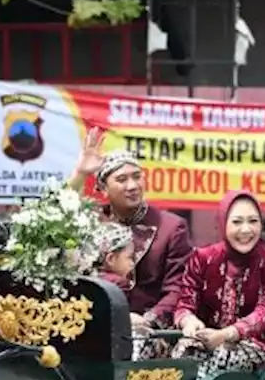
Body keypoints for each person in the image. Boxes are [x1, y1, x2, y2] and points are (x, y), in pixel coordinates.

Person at [69, 127, 194, 341]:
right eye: (122, 179)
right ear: (103, 189)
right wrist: (80, 173)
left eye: (137, 177)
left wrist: (148, 320)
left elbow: (177, 290)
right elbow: (52, 216)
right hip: (96, 321)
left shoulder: (171, 227)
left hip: (150, 332)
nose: (132, 185)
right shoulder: (90, 221)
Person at [172, 190, 265, 378]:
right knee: (184, 352)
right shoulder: (202, 258)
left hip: (257, 345)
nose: (246, 230)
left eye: (253, 221)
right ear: (222, 223)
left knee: (222, 357)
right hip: (207, 338)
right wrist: (189, 321)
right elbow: (185, 303)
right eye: (237, 222)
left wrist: (226, 334)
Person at [95, 222, 136, 291]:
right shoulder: (119, 284)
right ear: (111, 259)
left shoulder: (91, 279)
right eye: (131, 258)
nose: (133, 264)